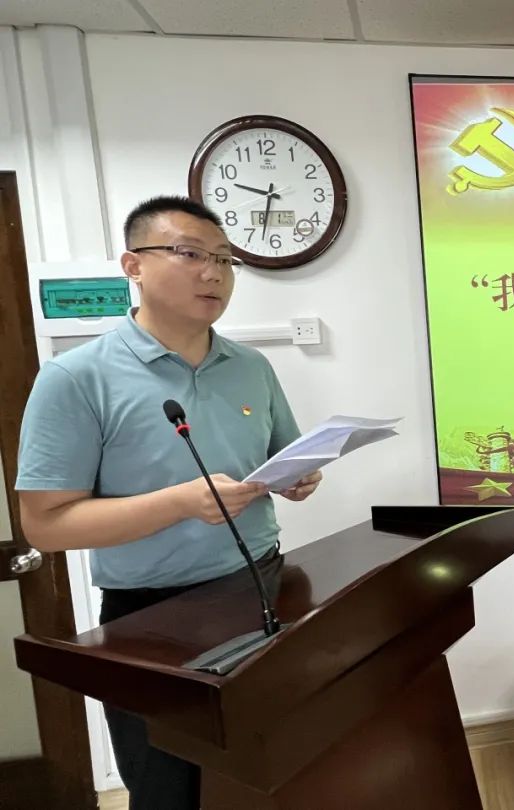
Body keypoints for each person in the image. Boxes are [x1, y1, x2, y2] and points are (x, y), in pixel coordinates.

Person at [15, 195, 321, 810]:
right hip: (151, 619)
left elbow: (285, 455)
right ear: (133, 265)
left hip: (262, 587)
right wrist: (180, 503)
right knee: (170, 791)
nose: (214, 273)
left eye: (225, 259)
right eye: (189, 253)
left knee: (266, 777)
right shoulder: (76, 378)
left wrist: (298, 476)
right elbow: (45, 526)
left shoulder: (252, 367)